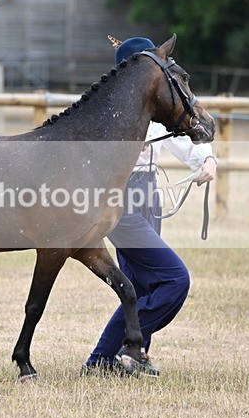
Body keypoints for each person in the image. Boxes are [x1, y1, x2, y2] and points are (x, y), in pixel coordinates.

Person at [82, 37, 217, 377]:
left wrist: (207, 159)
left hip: (149, 196)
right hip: (121, 204)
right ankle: (127, 348)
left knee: (142, 286)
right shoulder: (108, 110)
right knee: (173, 280)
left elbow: (185, 140)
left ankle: (111, 359)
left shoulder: (156, 108)